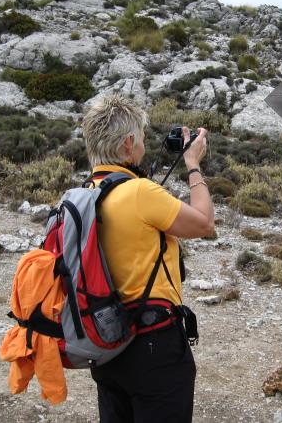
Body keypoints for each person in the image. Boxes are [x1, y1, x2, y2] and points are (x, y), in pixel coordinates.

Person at [81, 94, 214, 423]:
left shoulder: (86, 193)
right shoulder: (139, 192)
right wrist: (193, 164)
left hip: (106, 345)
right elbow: (204, 223)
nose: (142, 146)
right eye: (139, 139)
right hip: (153, 347)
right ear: (128, 144)